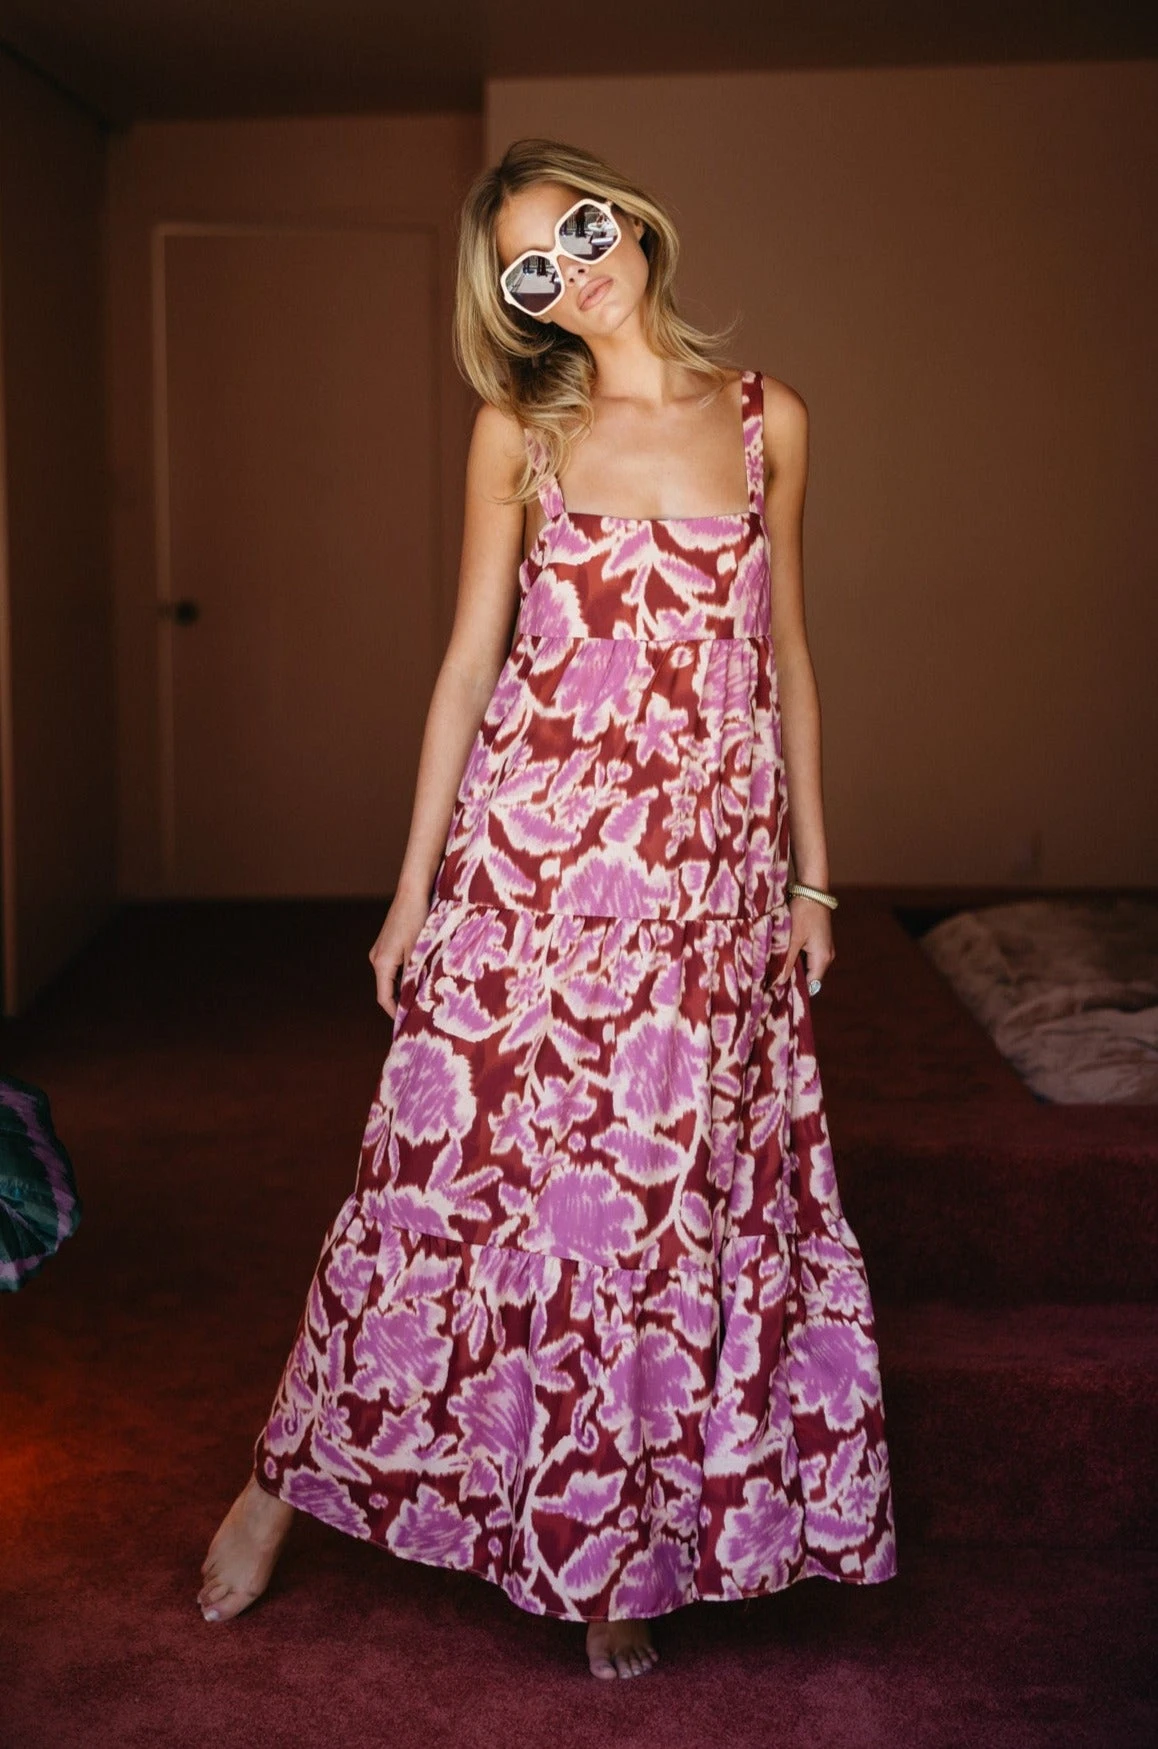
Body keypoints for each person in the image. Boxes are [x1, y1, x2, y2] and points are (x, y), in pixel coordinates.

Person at [198, 137, 898, 1680]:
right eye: (532, 266)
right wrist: (409, 896)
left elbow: (784, 660)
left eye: (580, 231)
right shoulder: (518, 428)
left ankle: (608, 1558)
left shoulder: (766, 419)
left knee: (655, 1210)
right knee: (440, 1185)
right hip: (528, 875)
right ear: (513, 303)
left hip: (704, 891)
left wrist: (812, 876)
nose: (571, 270)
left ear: (629, 219)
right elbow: (468, 666)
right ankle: (275, 1485)